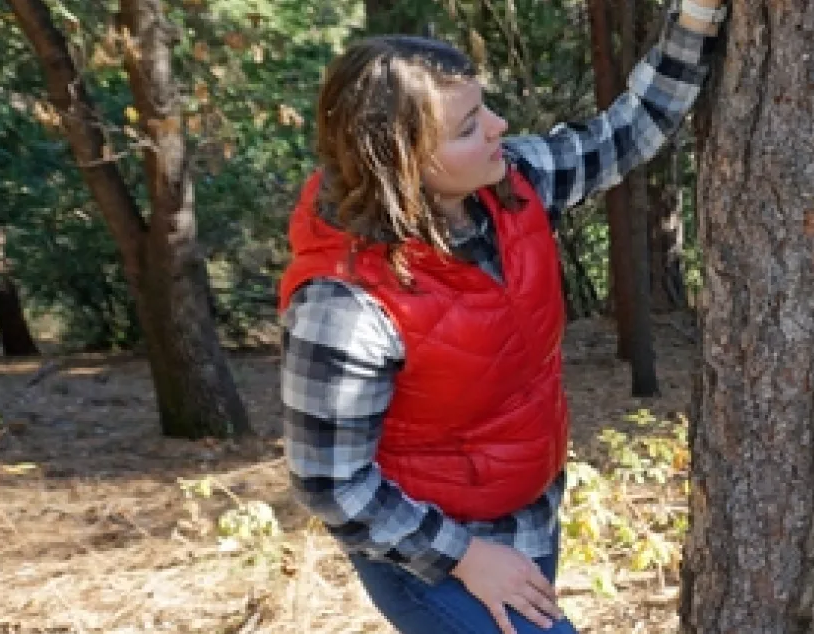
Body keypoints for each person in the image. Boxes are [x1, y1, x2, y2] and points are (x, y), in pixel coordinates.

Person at [276, 2, 724, 632]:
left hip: (527, 511)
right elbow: (331, 482)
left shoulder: (510, 184)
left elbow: (628, 131)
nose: (498, 126)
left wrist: (696, 22)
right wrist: (466, 557)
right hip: (428, 550)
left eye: (483, 109)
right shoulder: (342, 306)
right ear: (400, 163)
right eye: (467, 128)